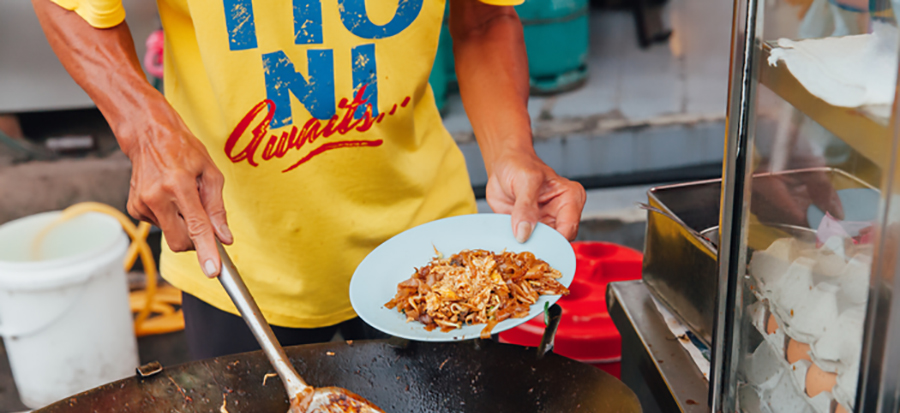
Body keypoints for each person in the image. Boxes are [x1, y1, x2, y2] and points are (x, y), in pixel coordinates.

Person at [32, 0, 587, 359]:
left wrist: (512, 150)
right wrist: (143, 125)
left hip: (427, 254)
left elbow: (484, 16)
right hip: (237, 259)